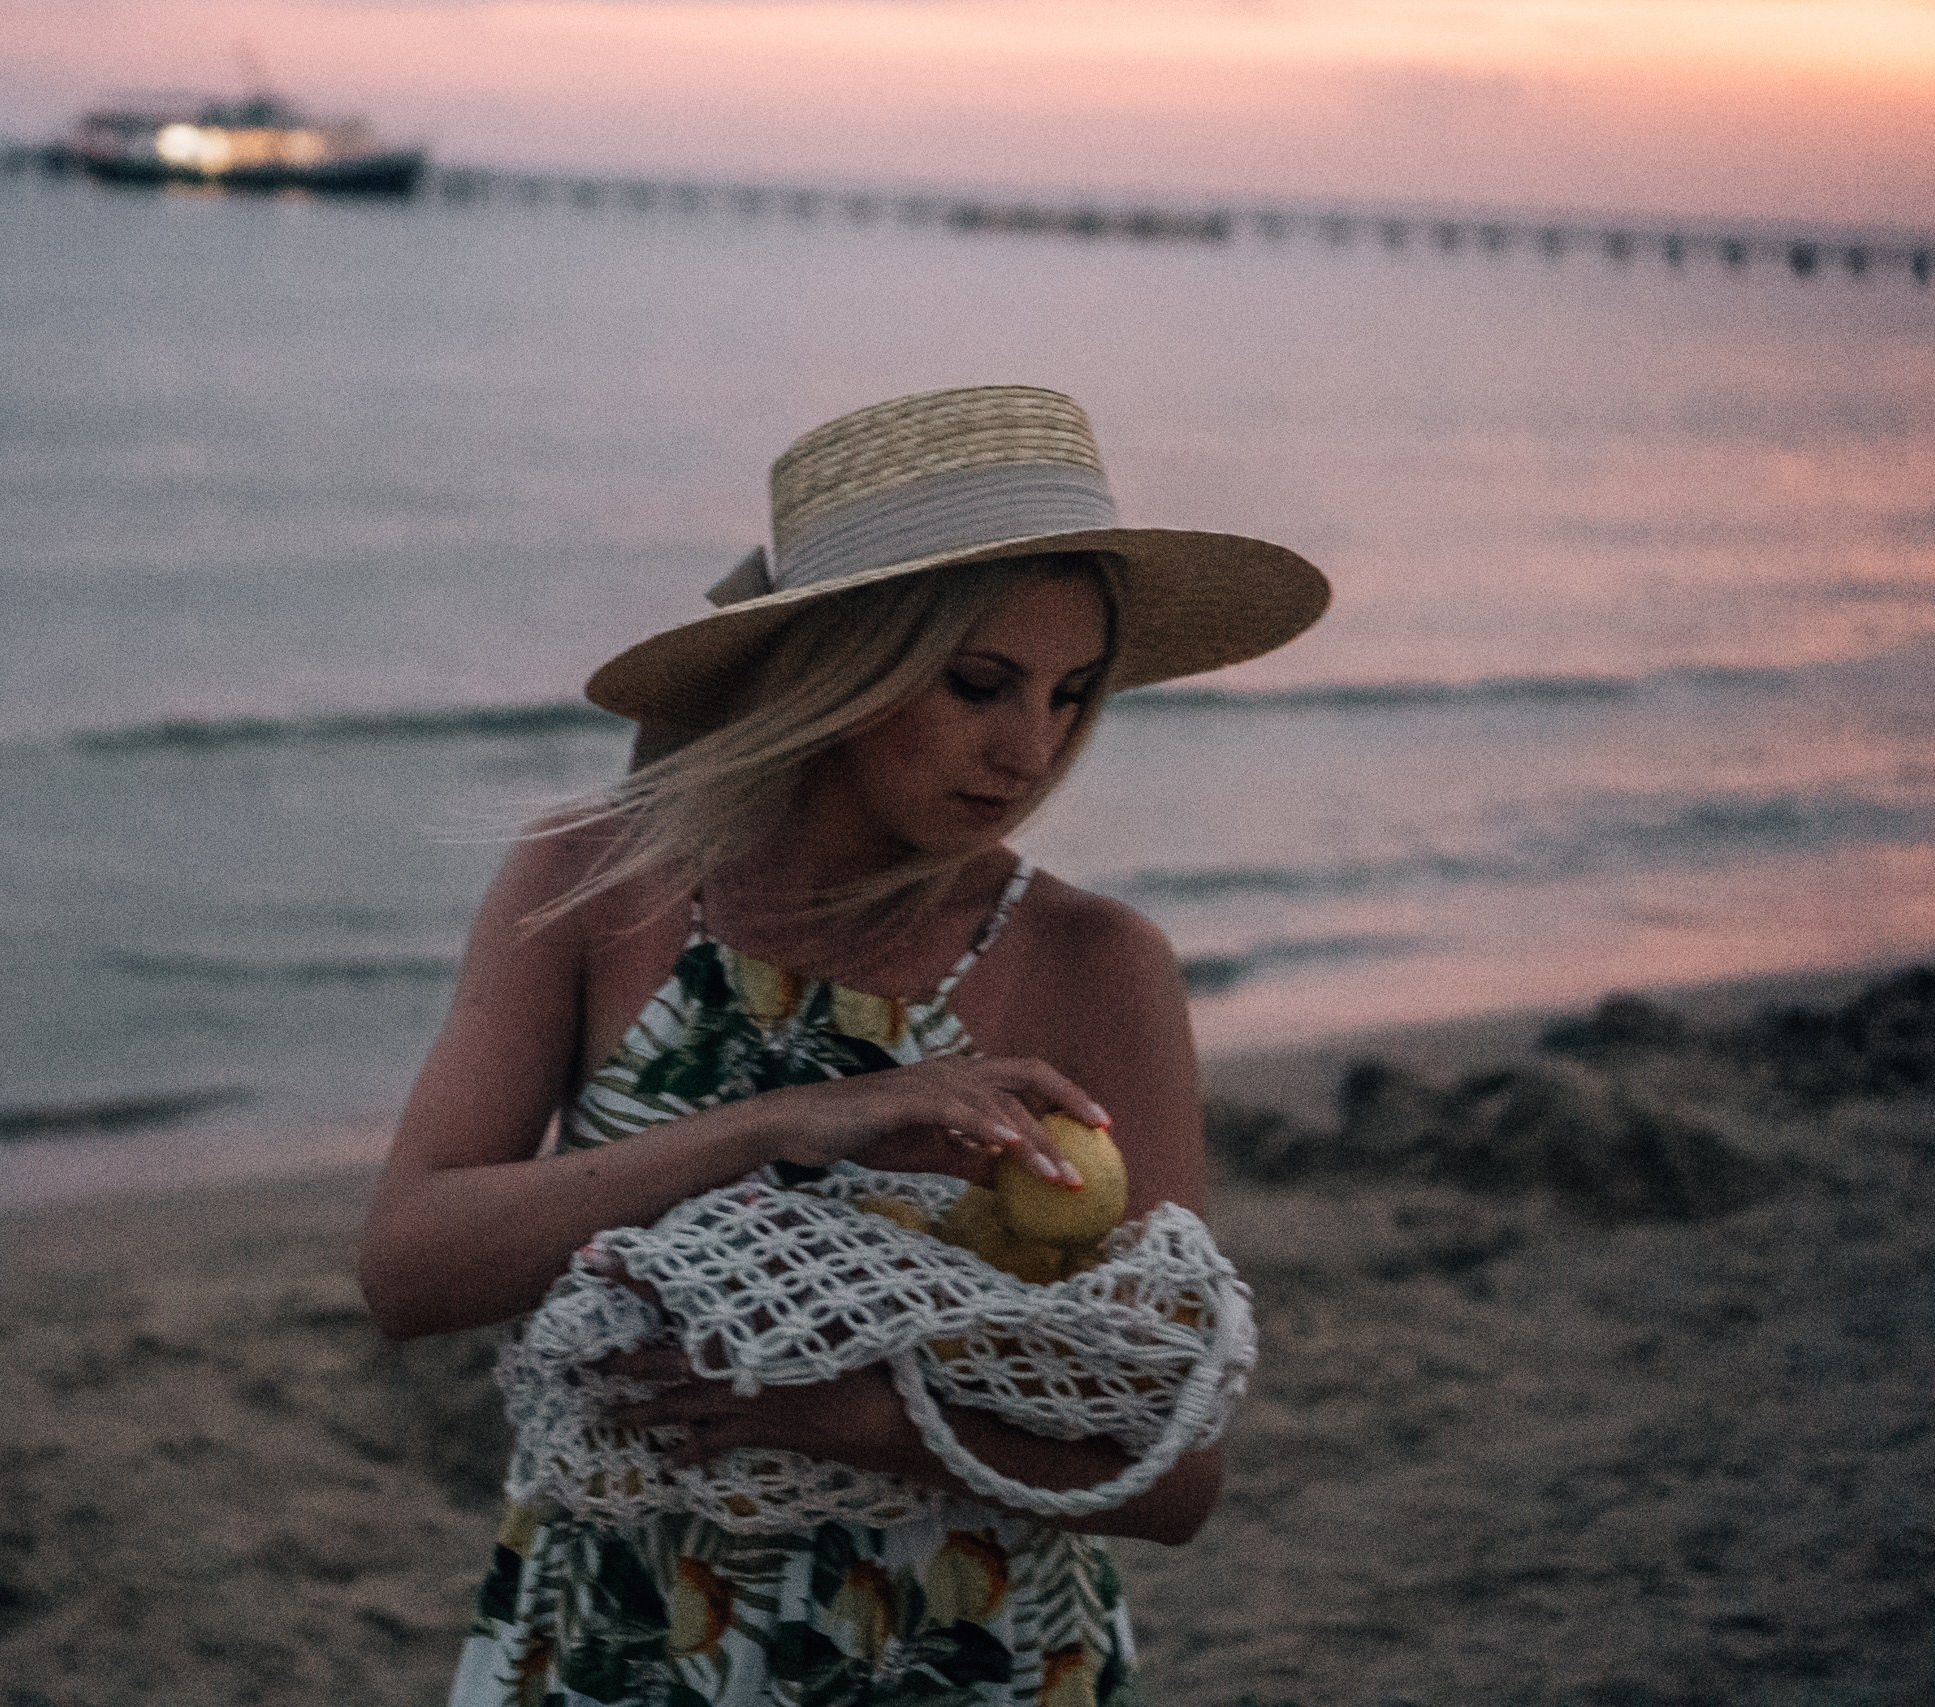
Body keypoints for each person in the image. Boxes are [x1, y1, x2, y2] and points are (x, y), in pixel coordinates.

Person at [360, 385, 1329, 1706]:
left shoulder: (1090, 965)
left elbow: (1175, 1475)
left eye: (1071, 693)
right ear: (841, 663)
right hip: (620, 1641)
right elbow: (410, 1267)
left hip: (960, 1655)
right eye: (980, 684)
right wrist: (770, 1128)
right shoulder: (601, 878)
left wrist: (857, 1422)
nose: (1030, 748)